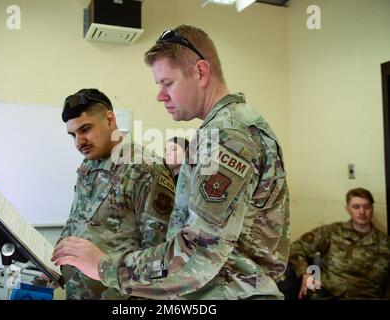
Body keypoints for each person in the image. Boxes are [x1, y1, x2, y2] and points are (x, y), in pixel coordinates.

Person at [52, 25, 290, 299]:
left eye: (168, 83)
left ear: (200, 72)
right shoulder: (221, 130)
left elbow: (198, 255)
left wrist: (104, 266)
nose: (160, 95)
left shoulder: (228, 135)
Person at [57, 88, 175, 299]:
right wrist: (55, 260)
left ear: (110, 120)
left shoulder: (145, 169)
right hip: (78, 292)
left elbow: (159, 257)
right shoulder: (89, 165)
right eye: (73, 135)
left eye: (85, 129)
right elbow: (75, 221)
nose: (78, 142)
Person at [289, 187, 390, 300]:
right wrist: (305, 273)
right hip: (330, 294)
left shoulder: (385, 243)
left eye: (367, 207)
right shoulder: (332, 232)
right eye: (356, 207)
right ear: (347, 209)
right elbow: (296, 247)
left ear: (372, 208)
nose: (362, 212)